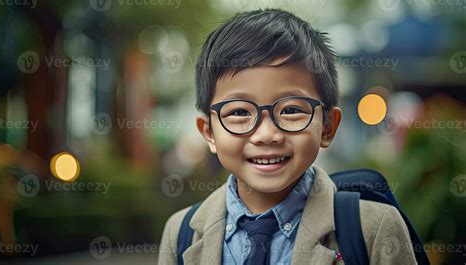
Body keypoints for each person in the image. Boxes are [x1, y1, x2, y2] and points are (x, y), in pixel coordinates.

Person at [158, 9, 417, 265]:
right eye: (239, 112)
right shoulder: (181, 234)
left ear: (327, 127)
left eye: (291, 110)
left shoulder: (372, 228)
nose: (267, 134)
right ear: (209, 133)